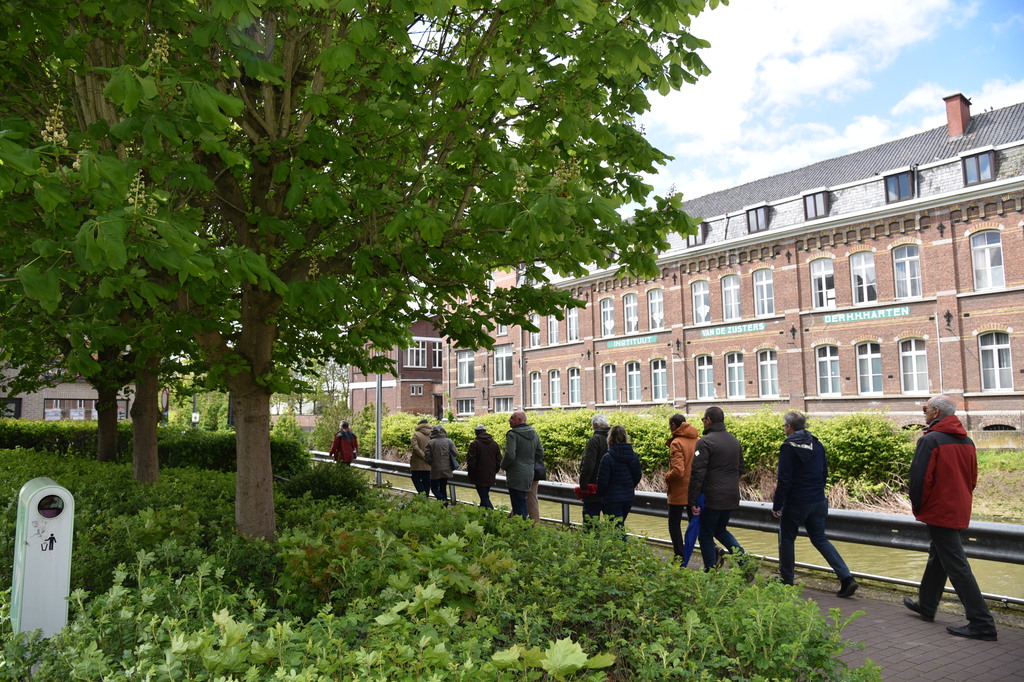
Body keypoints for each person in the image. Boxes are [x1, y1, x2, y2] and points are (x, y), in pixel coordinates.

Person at [904, 395, 997, 641]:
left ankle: (982, 622)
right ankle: (926, 605)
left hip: (939, 510)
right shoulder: (967, 441)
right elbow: (972, 479)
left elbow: (920, 479)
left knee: (957, 565)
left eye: (925, 409)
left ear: (935, 412)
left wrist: (918, 507)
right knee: (939, 555)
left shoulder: (930, 440)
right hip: (959, 507)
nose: (924, 412)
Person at [771, 411, 858, 598]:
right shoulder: (817, 444)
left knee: (786, 539)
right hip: (817, 501)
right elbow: (824, 473)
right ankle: (846, 578)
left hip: (796, 502)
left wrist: (777, 505)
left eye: (784, 426)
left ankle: (786, 581)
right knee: (820, 539)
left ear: (789, 427)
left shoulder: (788, 447)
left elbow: (784, 480)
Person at [688, 406, 746, 571]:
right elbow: (740, 468)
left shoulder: (705, 442)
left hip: (712, 497)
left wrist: (692, 500)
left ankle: (710, 570)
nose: (703, 423)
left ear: (709, 420)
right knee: (720, 529)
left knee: (705, 533)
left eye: (703, 420)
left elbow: (697, 473)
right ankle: (745, 563)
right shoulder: (734, 440)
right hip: (731, 495)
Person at [665, 413, 699, 562]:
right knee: (695, 524)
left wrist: (667, 476)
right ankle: (712, 549)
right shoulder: (698, 440)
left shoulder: (677, 442)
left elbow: (678, 470)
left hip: (679, 491)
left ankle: (679, 556)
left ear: (673, 425)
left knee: (674, 523)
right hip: (694, 489)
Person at [597, 425, 642, 528]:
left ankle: (623, 544)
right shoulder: (633, 456)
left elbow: (602, 481)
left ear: (610, 438)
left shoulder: (607, 457)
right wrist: (629, 487)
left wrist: (600, 495)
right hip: (628, 497)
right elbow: (637, 475)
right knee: (618, 526)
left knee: (617, 529)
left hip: (611, 499)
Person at [502, 410, 543, 520]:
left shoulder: (512, 434)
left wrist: (503, 466)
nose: (509, 420)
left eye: (512, 418)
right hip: (530, 473)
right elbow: (540, 452)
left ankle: (522, 531)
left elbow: (510, 455)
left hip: (516, 474)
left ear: (519, 420)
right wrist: (529, 462)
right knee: (523, 502)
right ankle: (524, 528)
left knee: (518, 505)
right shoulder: (534, 433)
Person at [579, 413, 610, 523]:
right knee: (612, 525)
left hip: (593, 489)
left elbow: (588, 464)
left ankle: (593, 540)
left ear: (596, 425)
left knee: (591, 524)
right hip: (610, 489)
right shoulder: (614, 439)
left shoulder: (595, 440)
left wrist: (583, 485)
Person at [466, 424, 502, 509]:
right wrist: (494, 471)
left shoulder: (475, 444)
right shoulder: (494, 444)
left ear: (476, 433)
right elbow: (499, 460)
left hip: (478, 475)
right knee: (484, 495)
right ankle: (481, 516)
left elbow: (471, 461)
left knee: (484, 497)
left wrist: (471, 473)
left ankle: (492, 515)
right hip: (490, 474)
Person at [423, 424, 457, 505]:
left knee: (434, 488)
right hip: (447, 468)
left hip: (435, 468)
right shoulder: (449, 441)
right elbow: (455, 453)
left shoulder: (431, 443)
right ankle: (444, 505)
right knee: (443, 487)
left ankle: (441, 499)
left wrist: (432, 463)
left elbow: (426, 457)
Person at [409, 418, 432, 495]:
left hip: (417, 463)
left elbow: (415, 447)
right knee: (427, 480)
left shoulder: (416, 434)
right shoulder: (432, 434)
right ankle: (426, 496)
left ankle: (422, 495)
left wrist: (423, 455)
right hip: (429, 462)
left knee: (415, 478)